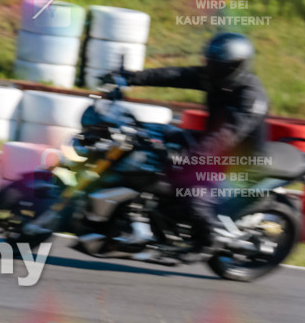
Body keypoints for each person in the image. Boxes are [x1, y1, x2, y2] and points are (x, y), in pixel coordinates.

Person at [103, 32, 268, 251]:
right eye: (208, 61)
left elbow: (226, 135)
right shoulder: (215, 78)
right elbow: (176, 74)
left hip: (239, 160)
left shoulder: (251, 98)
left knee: (194, 196)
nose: (207, 67)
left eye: (213, 64)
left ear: (231, 67)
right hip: (212, 145)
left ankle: (207, 241)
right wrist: (130, 78)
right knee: (156, 135)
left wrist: (190, 157)